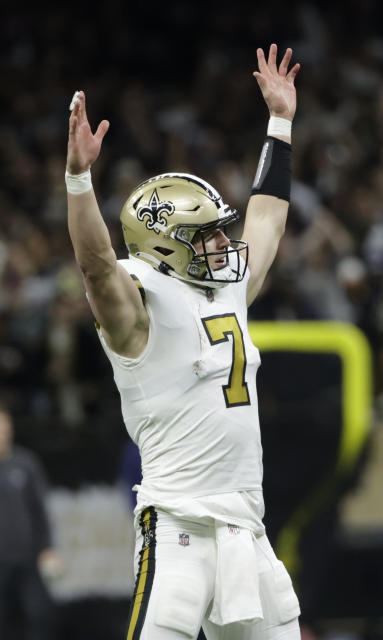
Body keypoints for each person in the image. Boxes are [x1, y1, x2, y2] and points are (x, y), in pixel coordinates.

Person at [65, 44, 302, 639]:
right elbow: (96, 267)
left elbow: (268, 217)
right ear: (167, 244)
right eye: (209, 235)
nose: (226, 244)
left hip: (247, 530)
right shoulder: (139, 307)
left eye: (222, 231)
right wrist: (78, 180)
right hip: (178, 531)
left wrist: (280, 122)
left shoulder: (228, 290)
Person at [0, 405, 60, 640]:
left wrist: (47, 548)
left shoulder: (26, 463)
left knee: (40, 616)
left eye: (5, 428)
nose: (3, 434)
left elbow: (40, 510)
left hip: (28, 558)